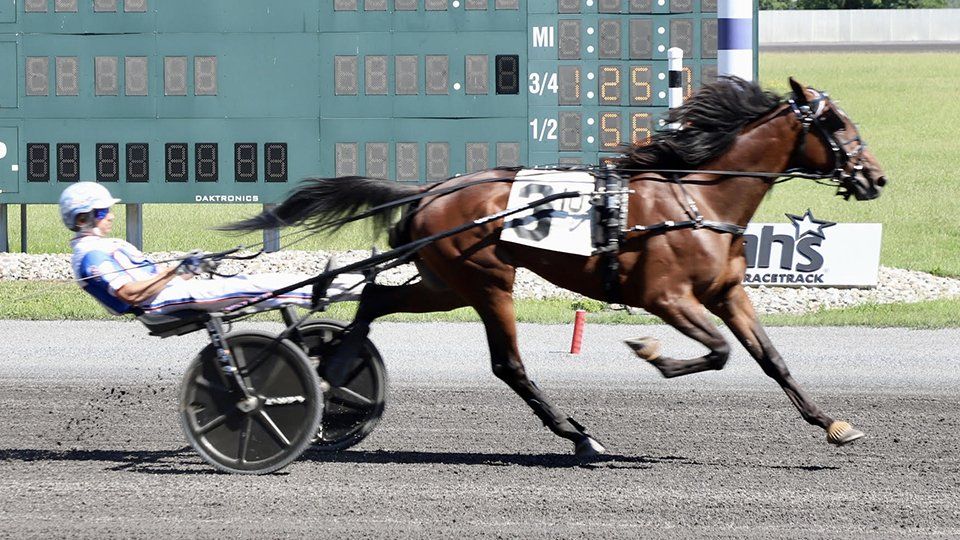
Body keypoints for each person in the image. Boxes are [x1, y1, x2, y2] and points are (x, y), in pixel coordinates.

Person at [60, 182, 363, 316]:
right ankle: (352, 289)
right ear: (83, 217)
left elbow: (150, 279)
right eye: (102, 212)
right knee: (263, 286)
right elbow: (128, 294)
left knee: (261, 278)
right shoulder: (90, 256)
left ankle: (355, 283)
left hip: (170, 293)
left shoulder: (103, 245)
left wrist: (190, 269)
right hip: (161, 304)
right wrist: (176, 270)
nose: (110, 215)